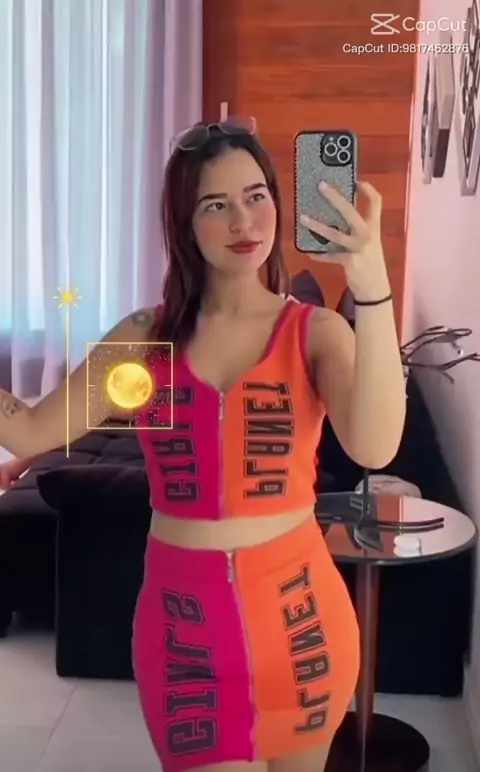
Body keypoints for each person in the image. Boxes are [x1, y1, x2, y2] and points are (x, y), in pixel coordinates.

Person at [0, 118, 406, 772]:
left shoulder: (316, 332)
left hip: (302, 632)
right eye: (215, 205)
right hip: (185, 642)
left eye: (256, 196)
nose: (243, 221)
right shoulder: (145, 338)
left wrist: (373, 287)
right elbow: (29, 429)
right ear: (184, 223)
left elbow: (376, 446)